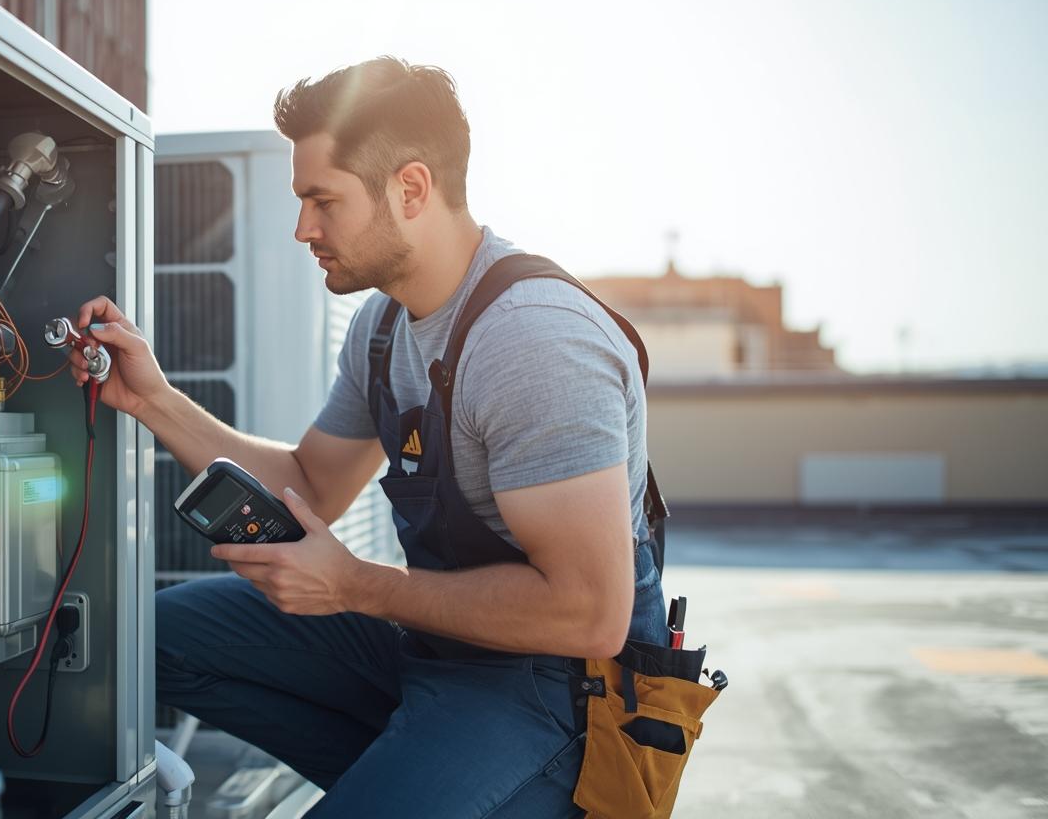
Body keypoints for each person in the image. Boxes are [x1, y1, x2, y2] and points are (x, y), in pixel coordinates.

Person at [67, 57, 668, 817]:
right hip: (434, 648)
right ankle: (418, 774)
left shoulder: (532, 343)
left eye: (323, 201)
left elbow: (588, 612)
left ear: (411, 188)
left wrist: (353, 584)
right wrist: (151, 399)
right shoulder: (383, 328)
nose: (302, 228)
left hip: (558, 689)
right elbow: (312, 483)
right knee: (156, 637)